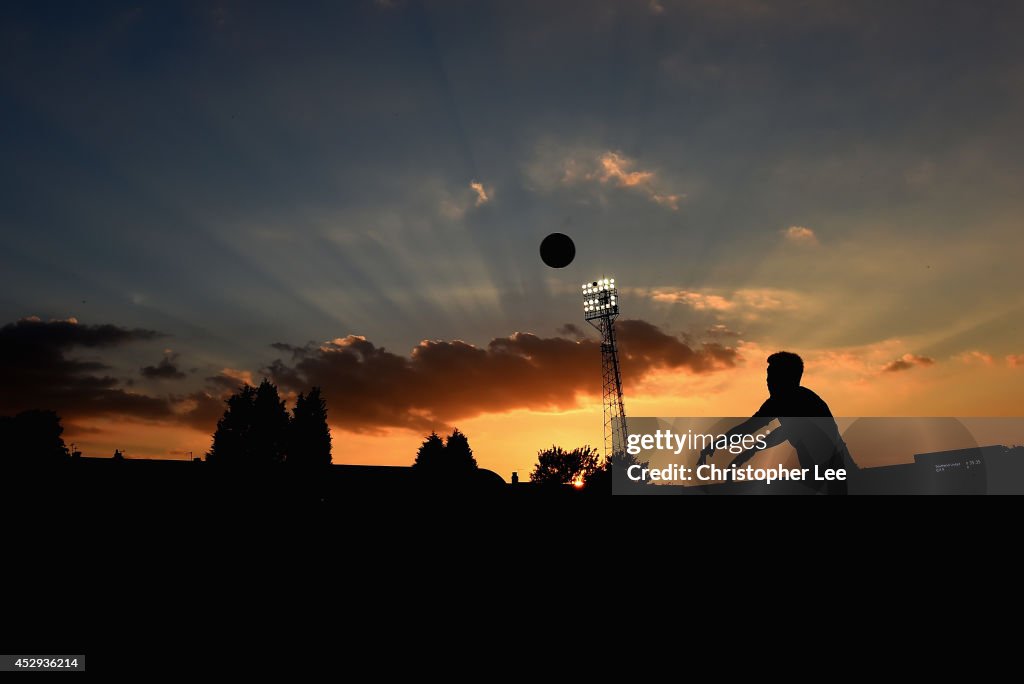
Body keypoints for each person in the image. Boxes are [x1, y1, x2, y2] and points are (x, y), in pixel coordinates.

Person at [699, 351, 851, 494]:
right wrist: (747, 452)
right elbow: (782, 430)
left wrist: (724, 448)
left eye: (772, 376)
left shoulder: (792, 399)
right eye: (768, 376)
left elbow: (752, 428)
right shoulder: (796, 399)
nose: (767, 381)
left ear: (787, 378)